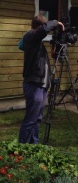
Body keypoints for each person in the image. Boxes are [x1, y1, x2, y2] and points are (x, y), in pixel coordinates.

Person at [19, 15, 65, 144]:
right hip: (34, 84)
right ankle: (22, 148)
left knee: (37, 118)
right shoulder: (30, 36)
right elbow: (44, 29)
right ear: (39, 27)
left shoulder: (36, 42)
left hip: (41, 85)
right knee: (30, 119)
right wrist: (56, 22)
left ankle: (34, 145)